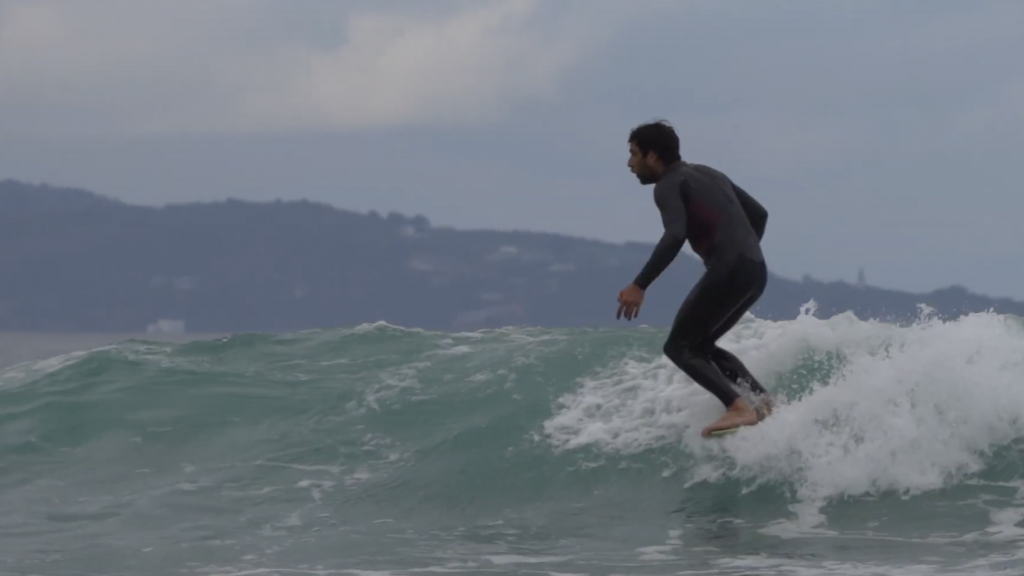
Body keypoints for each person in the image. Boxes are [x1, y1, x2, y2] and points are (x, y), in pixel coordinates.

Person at [615, 120, 774, 437]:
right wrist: (741, 251)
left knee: (679, 346)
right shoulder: (709, 173)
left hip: (730, 268)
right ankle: (764, 404)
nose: (629, 163)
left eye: (634, 154)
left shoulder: (668, 185)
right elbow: (759, 214)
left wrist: (639, 284)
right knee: (702, 345)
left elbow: (675, 235)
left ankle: (738, 407)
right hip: (756, 269)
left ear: (653, 155)